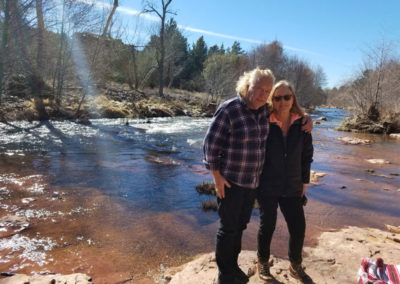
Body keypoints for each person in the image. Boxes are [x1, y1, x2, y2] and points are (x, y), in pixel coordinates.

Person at [203, 68, 312, 284]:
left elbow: (303, 147)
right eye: (259, 89)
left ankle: (234, 269)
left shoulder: (266, 113)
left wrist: (308, 118)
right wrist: (216, 177)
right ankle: (226, 275)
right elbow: (210, 146)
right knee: (229, 228)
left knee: (241, 227)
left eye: (267, 91)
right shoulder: (232, 110)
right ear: (247, 86)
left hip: (254, 184)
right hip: (236, 182)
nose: (263, 95)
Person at [257, 80, 314, 284]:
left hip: (293, 184)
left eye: (286, 97)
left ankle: (295, 265)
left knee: (298, 226)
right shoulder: (263, 121)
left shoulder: (302, 124)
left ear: (293, 98)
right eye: (277, 97)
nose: (282, 101)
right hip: (268, 184)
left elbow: (307, 156)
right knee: (268, 225)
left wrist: (304, 185)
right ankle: (263, 262)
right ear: (272, 99)